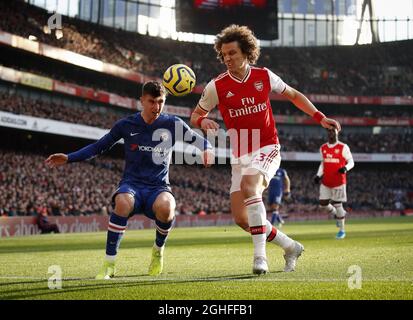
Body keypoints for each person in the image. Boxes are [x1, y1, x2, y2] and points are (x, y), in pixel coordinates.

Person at [190, 24, 341, 275]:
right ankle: (290, 246)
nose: (227, 59)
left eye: (232, 53)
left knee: (251, 187)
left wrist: (319, 117)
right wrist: (202, 121)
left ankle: (260, 259)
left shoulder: (264, 76)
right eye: (224, 54)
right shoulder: (216, 86)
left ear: (247, 52)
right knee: (242, 219)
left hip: (267, 146)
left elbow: (293, 95)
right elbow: (195, 115)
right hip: (239, 154)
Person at [45, 81, 214, 279]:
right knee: (123, 202)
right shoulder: (126, 125)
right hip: (131, 185)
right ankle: (109, 264)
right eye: (151, 101)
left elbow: (198, 139)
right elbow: (99, 146)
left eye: (160, 102)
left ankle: (158, 251)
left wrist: (207, 149)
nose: (156, 107)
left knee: (168, 207)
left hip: (158, 187)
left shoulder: (172, 123)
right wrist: (69, 157)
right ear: (142, 100)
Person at [313, 128, 354, 239]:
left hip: (339, 182)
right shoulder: (323, 148)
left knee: (338, 203)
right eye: (329, 131)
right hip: (326, 181)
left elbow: (351, 161)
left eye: (333, 131)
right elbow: (323, 163)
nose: (330, 133)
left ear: (337, 132)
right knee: (323, 204)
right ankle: (337, 214)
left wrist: (345, 168)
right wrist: (318, 175)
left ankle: (342, 231)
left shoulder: (343, 147)